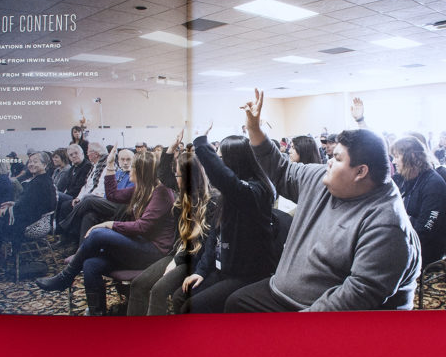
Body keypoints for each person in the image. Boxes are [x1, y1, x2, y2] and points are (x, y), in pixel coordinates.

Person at [225, 89, 421, 312]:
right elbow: (280, 170)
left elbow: (357, 294)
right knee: (235, 304)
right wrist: (254, 128)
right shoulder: (321, 178)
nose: (328, 161)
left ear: (360, 172)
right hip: (281, 294)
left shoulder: (387, 223)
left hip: (319, 310)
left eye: (337, 158)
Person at [35, 149, 176, 316]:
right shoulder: (142, 188)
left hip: (153, 252)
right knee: (90, 265)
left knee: (98, 233)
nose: (129, 169)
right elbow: (112, 194)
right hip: (139, 246)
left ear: (142, 172)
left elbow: (142, 227)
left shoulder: (160, 192)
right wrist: (109, 164)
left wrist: (109, 224)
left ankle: (66, 277)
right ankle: (97, 313)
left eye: (133, 167)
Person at [171, 124, 277, 314]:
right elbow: (214, 237)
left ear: (234, 161)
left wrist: (201, 144)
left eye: (220, 159)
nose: (216, 164)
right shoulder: (227, 195)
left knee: (191, 307)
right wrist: (201, 272)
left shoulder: (256, 190)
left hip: (247, 274)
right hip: (224, 269)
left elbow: (228, 182)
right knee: (180, 295)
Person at [128, 130, 218, 316]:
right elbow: (163, 174)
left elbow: (203, 246)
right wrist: (171, 148)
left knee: (158, 291)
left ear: (186, 177)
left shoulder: (210, 203)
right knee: (138, 284)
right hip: (179, 253)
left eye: (178, 175)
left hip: (193, 259)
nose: (174, 179)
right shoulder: (183, 197)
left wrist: (176, 262)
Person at [0, 152, 57, 281]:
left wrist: (11, 209)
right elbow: (29, 203)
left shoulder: (40, 182)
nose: (31, 164)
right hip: (30, 218)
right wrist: (13, 204)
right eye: (30, 161)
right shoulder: (39, 180)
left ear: (45, 164)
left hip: (33, 224)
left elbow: (30, 208)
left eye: (35, 161)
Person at [390, 137, 446, 266]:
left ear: (412, 157)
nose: (394, 161)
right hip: (406, 238)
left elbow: (425, 231)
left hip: (427, 247)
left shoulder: (434, 184)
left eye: (396, 156)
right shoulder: (401, 179)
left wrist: (392, 243)